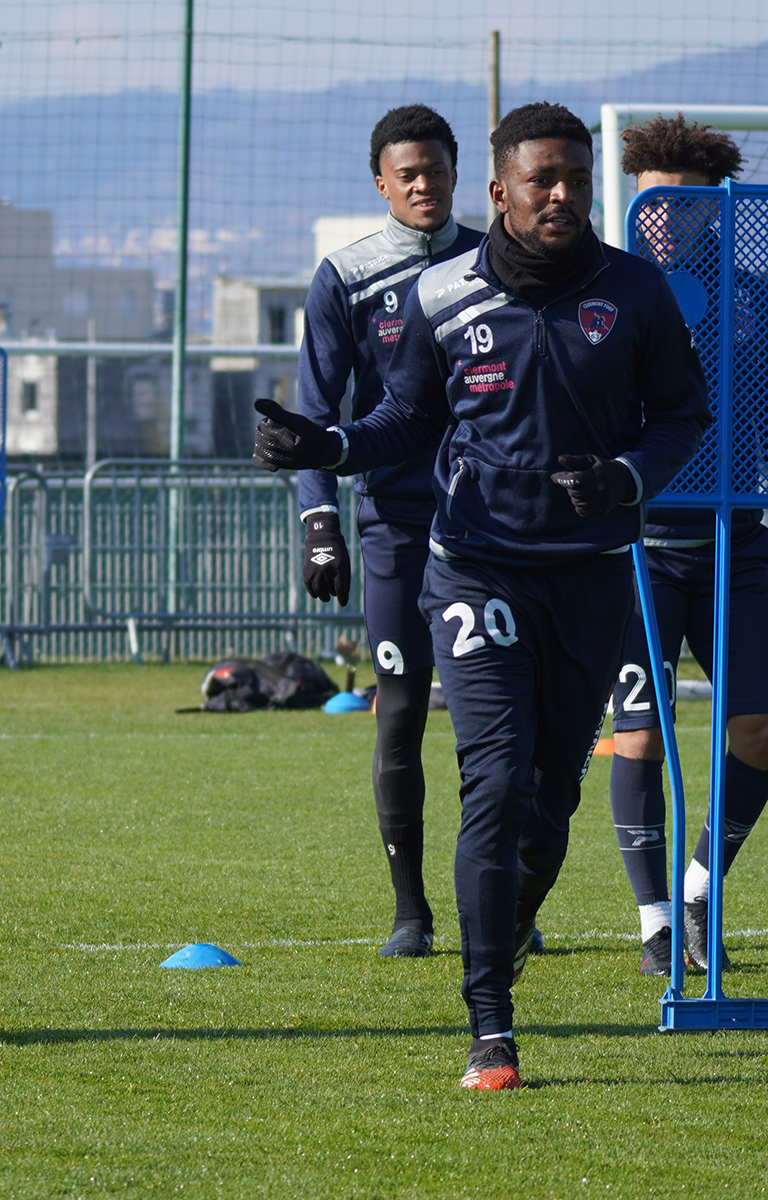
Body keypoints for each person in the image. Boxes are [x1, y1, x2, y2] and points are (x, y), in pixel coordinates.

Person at [253, 102, 711, 1089]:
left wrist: (629, 477)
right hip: (472, 564)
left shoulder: (634, 293)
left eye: (574, 180)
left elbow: (683, 414)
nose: (561, 196)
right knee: (495, 784)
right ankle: (490, 1029)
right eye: (541, 180)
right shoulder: (440, 294)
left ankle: (504, 936)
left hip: (589, 576)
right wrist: (325, 453)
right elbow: (403, 422)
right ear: (499, 192)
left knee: (551, 805)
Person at [607, 114, 768, 977]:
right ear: (631, 203)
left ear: (717, 209)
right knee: (640, 736)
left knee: (759, 730)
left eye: (686, 202)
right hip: (633, 550)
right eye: (653, 202)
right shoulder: (605, 292)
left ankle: (704, 889)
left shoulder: (751, 299)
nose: (667, 216)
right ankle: (656, 922)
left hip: (734, 549)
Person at [291, 106, 483, 958]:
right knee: (400, 710)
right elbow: (312, 410)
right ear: (381, 181)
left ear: (456, 172)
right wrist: (319, 517)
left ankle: (504, 899)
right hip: (396, 529)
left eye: (434, 169)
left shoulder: (497, 261)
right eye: (406, 172)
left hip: (492, 529)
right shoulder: (345, 275)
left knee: (496, 721)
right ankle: (411, 912)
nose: (421, 183)